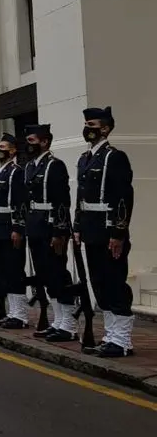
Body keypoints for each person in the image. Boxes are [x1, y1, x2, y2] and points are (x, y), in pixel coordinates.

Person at [74, 106, 135, 357]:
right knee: (99, 283)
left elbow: (124, 197)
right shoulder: (85, 159)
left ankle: (122, 341)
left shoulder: (114, 157)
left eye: (93, 124)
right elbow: (80, 196)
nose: (88, 128)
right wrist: (77, 227)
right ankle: (111, 336)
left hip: (109, 230)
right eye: (86, 124)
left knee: (114, 282)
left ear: (106, 128)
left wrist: (118, 233)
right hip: (90, 230)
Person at [24, 124, 77, 342]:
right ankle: (58, 321)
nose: (28, 145)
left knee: (57, 272)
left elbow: (62, 201)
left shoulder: (55, 166)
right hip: (35, 225)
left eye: (32, 140)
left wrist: (60, 230)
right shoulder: (29, 167)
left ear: (45, 142)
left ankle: (69, 323)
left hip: (50, 226)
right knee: (45, 274)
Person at [0, 133, 29, 329]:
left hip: (9, 228)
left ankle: (20, 315)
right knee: (3, 271)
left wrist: (17, 227)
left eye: (3, 146)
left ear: (13, 150)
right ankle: (11, 312)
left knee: (14, 270)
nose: (0, 150)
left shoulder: (16, 172)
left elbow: (19, 202)